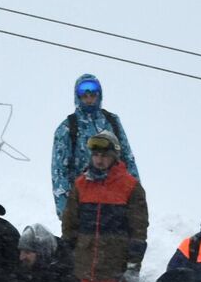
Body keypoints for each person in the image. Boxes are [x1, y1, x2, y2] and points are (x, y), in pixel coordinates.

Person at [61, 128, 149, 282]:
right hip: (83, 272)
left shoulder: (130, 187)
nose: (99, 159)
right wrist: (69, 260)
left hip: (115, 274)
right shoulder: (80, 185)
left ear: (114, 156)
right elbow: (69, 226)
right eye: (95, 154)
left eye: (104, 154)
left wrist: (133, 267)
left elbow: (138, 231)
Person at [48, 73, 138, 218]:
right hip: (84, 206)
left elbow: (128, 160)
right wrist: (67, 214)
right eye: (84, 96)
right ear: (78, 98)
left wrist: (135, 202)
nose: (89, 100)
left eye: (93, 95)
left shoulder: (112, 122)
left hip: (115, 205)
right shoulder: (68, 128)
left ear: (99, 95)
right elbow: (59, 173)